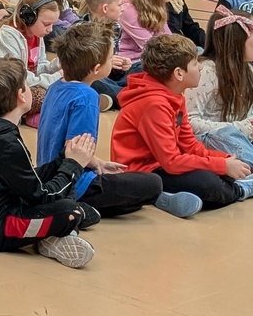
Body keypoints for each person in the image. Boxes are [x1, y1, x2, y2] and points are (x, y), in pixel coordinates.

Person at [37, 21, 194, 219]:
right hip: (75, 184)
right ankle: (152, 198)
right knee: (152, 183)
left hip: (50, 175)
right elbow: (73, 149)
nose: (113, 60)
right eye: (111, 57)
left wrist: (98, 163)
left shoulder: (56, 86)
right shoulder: (87, 97)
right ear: (96, 68)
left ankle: (131, 200)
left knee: (123, 183)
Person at [0, 58, 98, 268]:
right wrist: (74, 165)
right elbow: (41, 196)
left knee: (77, 204)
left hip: (2, 208)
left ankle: (55, 235)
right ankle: (52, 240)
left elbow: (27, 179)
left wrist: (64, 159)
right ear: (21, 95)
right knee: (71, 212)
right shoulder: (5, 142)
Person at [112, 34, 253, 211]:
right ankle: (242, 190)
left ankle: (164, 197)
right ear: (179, 73)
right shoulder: (154, 104)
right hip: (143, 173)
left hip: (162, 166)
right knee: (208, 183)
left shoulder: (175, 96)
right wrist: (222, 166)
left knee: (222, 170)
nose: (200, 67)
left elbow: (190, 144)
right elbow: (171, 161)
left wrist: (224, 159)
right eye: (195, 63)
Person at [0, 0, 62, 126]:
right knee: (48, 94)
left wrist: (58, 65)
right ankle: (29, 115)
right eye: (47, 24)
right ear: (28, 16)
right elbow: (20, 79)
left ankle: (31, 115)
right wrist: (57, 76)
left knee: (65, 86)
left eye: (53, 24)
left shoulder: (36, 34)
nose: (50, 30)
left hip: (21, 85)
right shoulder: (6, 37)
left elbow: (38, 67)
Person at [187, 7, 253, 166]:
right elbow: (189, 122)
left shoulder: (248, 70)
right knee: (232, 142)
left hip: (242, 137)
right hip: (213, 140)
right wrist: (237, 127)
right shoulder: (206, 73)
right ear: (236, 41)